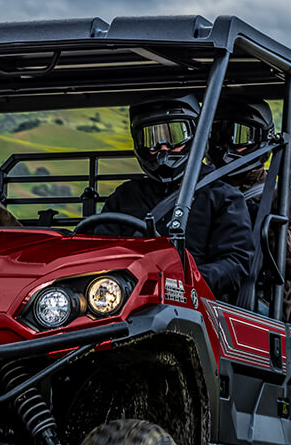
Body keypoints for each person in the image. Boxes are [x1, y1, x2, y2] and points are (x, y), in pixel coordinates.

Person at [100, 94, 254, 302]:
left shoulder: (222, 196)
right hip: (126, 300)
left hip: (196, 304)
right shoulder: (125, 196)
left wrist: (185, 282)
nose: (163, 148)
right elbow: (100, 250)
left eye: (174, 136)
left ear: (195, 135)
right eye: (151, 138)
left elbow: (235, 262)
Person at [207, 95, 291, 320]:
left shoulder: (284, 196)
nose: (227, 146)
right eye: (220, 135)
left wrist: (263, 219)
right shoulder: (199, 190)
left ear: (261, 139)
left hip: (257, 302)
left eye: (239, 136)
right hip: (206, 287)